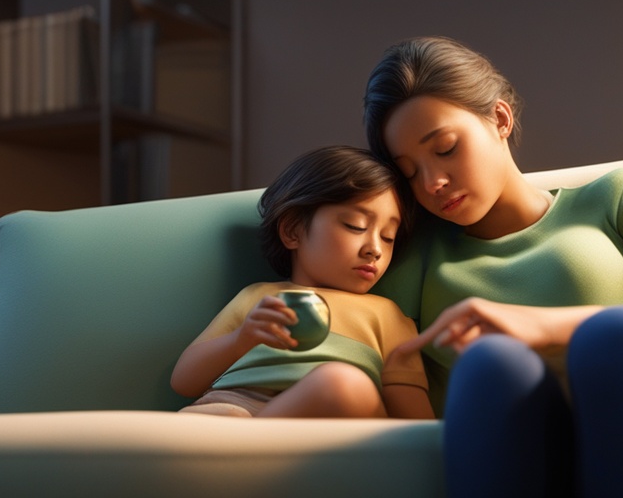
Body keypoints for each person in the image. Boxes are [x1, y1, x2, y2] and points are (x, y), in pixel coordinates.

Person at [362, 36, 623, 497]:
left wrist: (551, 327)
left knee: (613, 336)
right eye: (409, 171)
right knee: (490, 363)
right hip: (527, 439)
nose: (432, 183)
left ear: (500, 119)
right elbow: (364, 353)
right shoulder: (414, 255)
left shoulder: (616, 198)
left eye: (446, 148)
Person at [171, 145, 434, 420]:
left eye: (388, 236)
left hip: (320, 424)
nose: (375, 249)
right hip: (229, 408)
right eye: (355, 225)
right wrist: (240, 340)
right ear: (293, 230)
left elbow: (413, 416)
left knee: (343, 385)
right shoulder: (259, 296)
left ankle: (245, 449)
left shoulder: (387, 314)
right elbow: (184, 381)